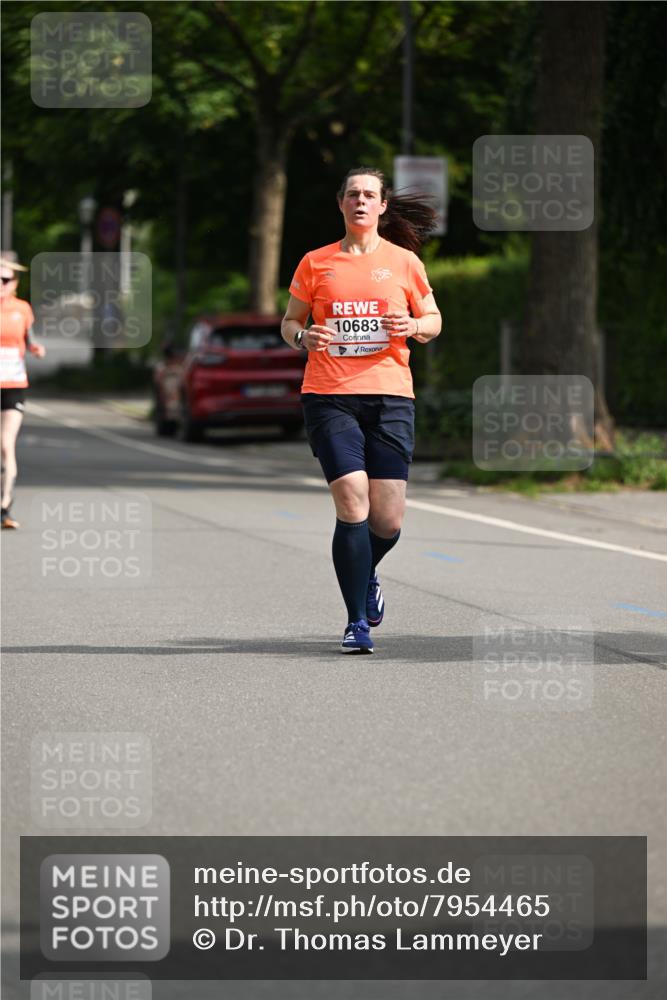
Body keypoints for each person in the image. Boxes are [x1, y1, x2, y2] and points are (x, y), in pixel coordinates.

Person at [281, 166, 442, 653]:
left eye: (369, 194)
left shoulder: (405, 263)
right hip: (329, 393)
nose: (361, 202)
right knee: (353, 499)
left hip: (391, 393)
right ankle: (357, 623)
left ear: (382, 206)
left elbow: (434, 320)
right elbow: (290, 322)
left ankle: (365, 572)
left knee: (387, 520)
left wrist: (413, 325)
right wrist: (305, 337)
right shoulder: (316, 262)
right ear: (341, 204)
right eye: (353, 194)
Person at [1, 256, 45, 529]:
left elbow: (29, 339)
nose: (0, 284)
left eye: (5, 280)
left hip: (14, 385)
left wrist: (36, 349)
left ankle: (4, 506)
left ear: (14, 284)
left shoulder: (22, 309)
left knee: (6, 444)